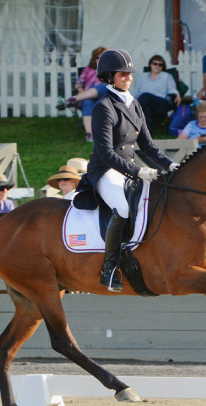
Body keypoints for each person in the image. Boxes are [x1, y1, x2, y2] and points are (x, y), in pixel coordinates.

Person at [75, 48, 178, 291]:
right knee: (121, 207)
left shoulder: (135, 104)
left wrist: (170, 165)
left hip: (128, 170)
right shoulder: (104, 107)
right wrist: (138, 171)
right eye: (123, 74)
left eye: (130, 74)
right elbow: (105, 152)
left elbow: (148, 146)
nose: (128, 78)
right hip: (105, 171)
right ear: (110, 77)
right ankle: (109, 269)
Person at [133, 54, 181, 131]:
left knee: (145, 95)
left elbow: (172, 89)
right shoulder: (142, 77)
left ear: (163, 66)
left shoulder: (167, 76)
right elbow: (136, 91)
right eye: (155, 64)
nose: (157, 66)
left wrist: (177, 94)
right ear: (150, 64)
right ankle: (147, 131)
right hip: (145, 102)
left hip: (161, 102)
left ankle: (133, 115)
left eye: (160, 64)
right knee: (146, 109)